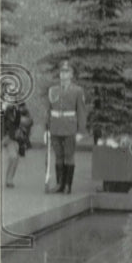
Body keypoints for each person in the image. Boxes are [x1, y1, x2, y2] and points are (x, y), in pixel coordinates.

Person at [45, 60, 87, 193]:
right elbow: (48, 110)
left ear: (72, 74)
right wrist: (47, 129)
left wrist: (81, 131)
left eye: (67, 72)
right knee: (58, 156)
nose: (63, 75)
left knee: (69, 156)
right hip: (55, 127)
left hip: (69, 128)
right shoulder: (53, 90)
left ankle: (68, 185)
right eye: (62, 72)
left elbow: (81, 111)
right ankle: (59, 184)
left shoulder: (77, 91)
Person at [2, 100, 26, 188]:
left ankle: (9, 179)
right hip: (6, 137)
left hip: (13, 138)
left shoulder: (15, 111)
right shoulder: (4, 111)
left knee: (14, 158)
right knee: (13, 157)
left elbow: (17, 123)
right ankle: (8, 180)